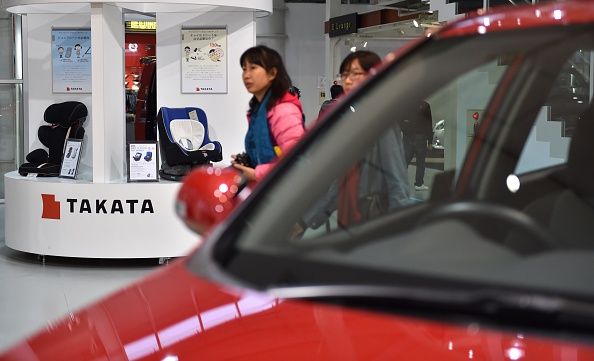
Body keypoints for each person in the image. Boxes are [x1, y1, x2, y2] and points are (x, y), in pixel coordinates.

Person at [300, 50, 410, 231]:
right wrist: (306, 221)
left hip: (374, 221)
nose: (348, 80)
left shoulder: (380, 118)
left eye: (355, 73)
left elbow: (396, 179)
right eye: (344, 74)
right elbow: (341, 184)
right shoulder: (354, 119)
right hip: (351, 217)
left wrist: (399, 232)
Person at [231, 45, 305, 182]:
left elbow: (295, 162)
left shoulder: (283, 111)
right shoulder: (258, 109)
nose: (246, 75)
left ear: (272, 73)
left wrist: (256, 174)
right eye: (244, 69)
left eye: (253, 68)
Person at [400, 100, 433, 191]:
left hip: (408, 137)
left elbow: (400, 120)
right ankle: (418, 184)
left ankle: (399, 183)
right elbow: (429, 123)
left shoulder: (406, 104)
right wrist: (430, 141)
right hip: (421, 137)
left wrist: (405, 130)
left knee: (404, 161)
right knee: (421, 162)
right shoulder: (425, 105)